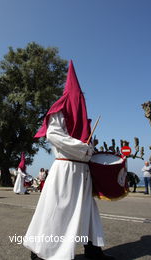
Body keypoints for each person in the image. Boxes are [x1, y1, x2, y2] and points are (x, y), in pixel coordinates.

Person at [24, 61, 112, 260]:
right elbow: (54, 135)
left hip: (83, 170)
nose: (79, 99)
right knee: (58, 209)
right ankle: (42, 251)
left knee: (88, 210)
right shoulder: (59, 108)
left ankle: (93, 249)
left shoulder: (83, 115)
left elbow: (84, 143)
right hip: (66, 168)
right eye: (77, 95)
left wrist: (91, 151)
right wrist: (84, 148)